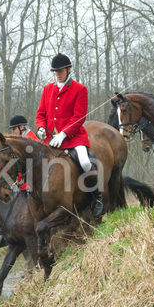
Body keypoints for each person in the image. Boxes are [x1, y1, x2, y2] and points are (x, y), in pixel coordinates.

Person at [35, 53, 104, 217]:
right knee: (34, 164)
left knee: (86, 163)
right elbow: (41, 114)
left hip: (74, 138)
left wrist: (64, 134)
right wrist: (41, 128)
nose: (57, 74)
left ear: (68, 69)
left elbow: (79, 117)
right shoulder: (47, 89)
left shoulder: (80, 89)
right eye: (55, 71)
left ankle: (97, 198)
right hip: (50, 139)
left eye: (60, 70)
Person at [0, 115, 40, 190]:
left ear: (22, 127)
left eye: (14, 128)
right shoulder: (22, 139)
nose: (13, 132)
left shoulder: (31, 140)